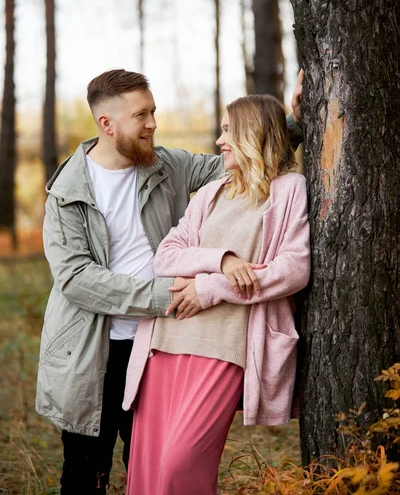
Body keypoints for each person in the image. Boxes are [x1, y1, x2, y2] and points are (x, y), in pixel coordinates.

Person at [36, 68, 304, 495]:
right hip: (91, 350)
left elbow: (241, 156)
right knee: (86, 473)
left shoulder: (167, 165)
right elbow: (76, 279)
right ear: (107, 124)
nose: (153, 124)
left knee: (149, 465)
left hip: (156, 344)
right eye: (141, 115)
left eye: (153, 111)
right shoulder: (67, 193)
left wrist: (296, 119)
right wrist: (170, 295)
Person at [123, 93, 311, 495]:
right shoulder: (213, 193)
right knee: (148, 471)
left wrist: (211, 286)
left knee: (179, 466)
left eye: (228, 131)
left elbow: (293, 269)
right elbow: (167, 256)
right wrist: (223, 260)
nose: (219, 141)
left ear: (252, 134)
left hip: (225, 348)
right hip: (166, 341)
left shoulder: (289, 189)